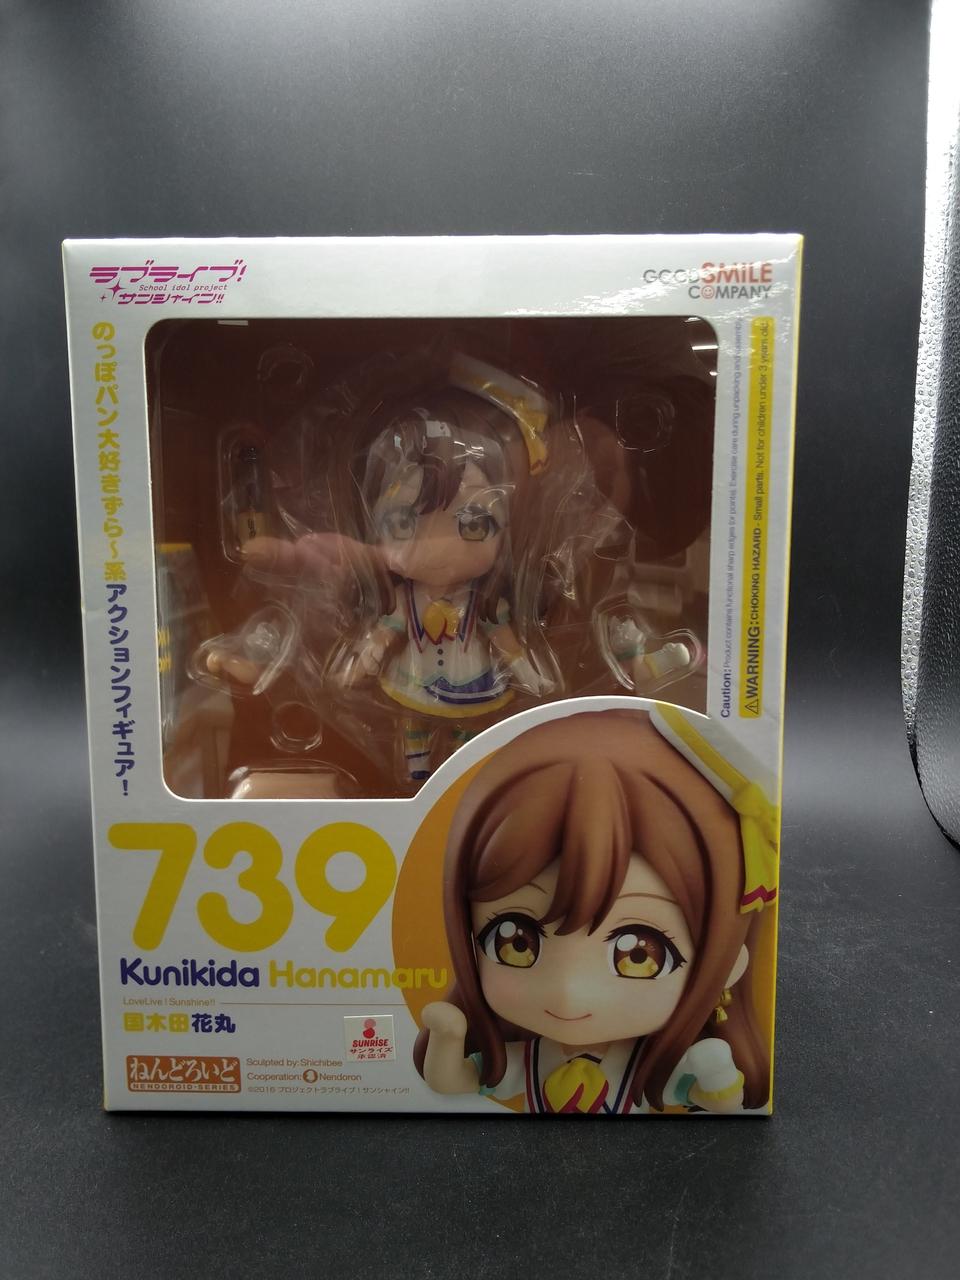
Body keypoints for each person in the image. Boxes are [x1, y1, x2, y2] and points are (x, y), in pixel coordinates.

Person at [413, 707, 777, 1113]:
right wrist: (447, 1037)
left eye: (637, 954)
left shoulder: (646, 1068)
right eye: (516, 942)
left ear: (726, 964)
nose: (569, 991)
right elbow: (453, 1081)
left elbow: (723, 1106)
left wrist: (718, 1074)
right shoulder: (529, 1059)